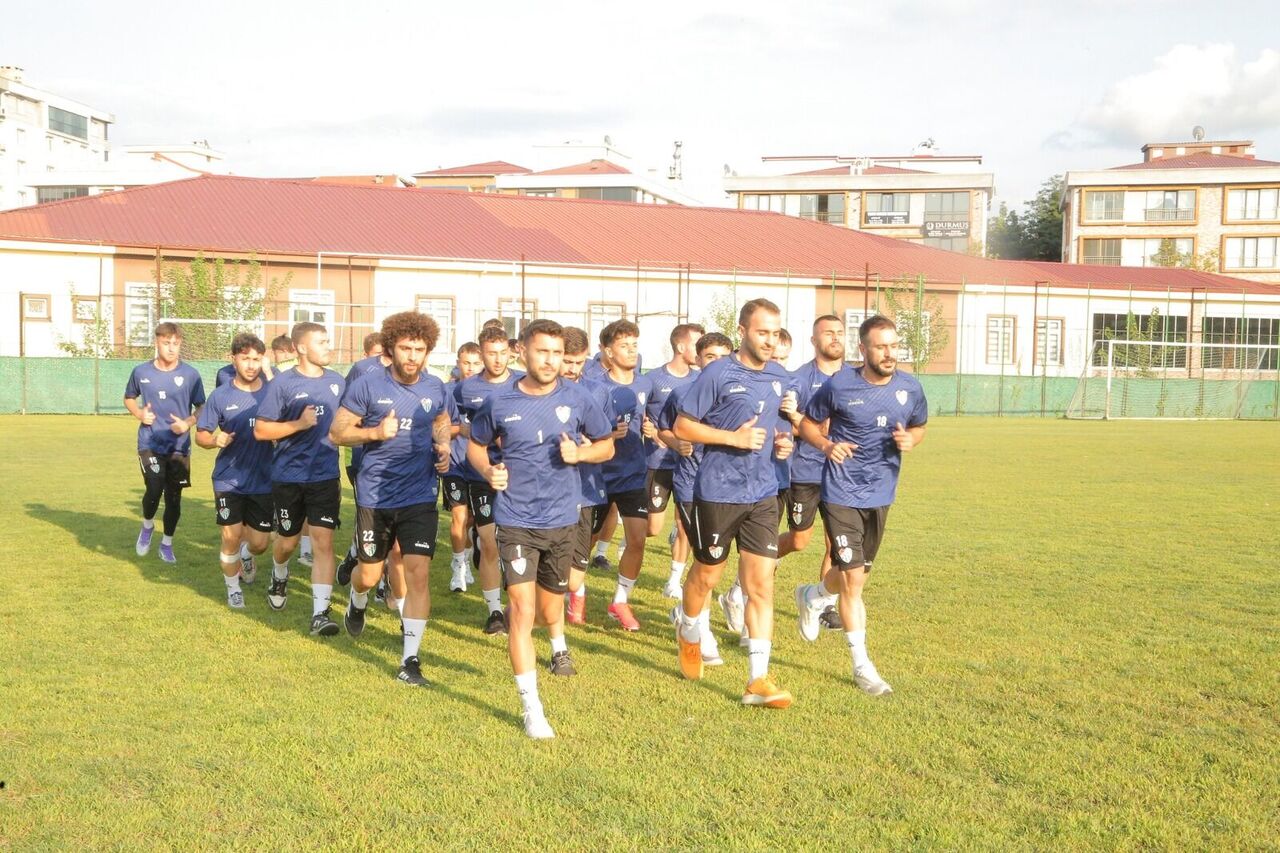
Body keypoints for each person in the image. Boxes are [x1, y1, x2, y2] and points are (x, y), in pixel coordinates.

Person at [468, 319, 615, 738]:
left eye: (557, 353)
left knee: (551, 608)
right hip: (516, 519)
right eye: (542, 352)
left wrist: (581, 455)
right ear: (523, 352)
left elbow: (607, 445)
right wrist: (488, 470)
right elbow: (476, 445)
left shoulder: (579, 398)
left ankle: (554, 642)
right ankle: (532, 708)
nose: (550, 361)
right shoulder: (498, 402)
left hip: (563, 518)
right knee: (522, 610)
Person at [795, 315, 928, 696]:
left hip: (881, 494)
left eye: (894, 346)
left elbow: (919, 426)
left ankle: (813, 596)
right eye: (881, 346)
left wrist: (911, 440)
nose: (889, 353)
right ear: (863, 349)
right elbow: (807, 424)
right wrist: (826, 446)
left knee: (853, 575)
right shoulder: (839, 385)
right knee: (853, 582)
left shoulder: (910, 387)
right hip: (841, 492)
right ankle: (862, 666)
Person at [673, 298, 795, 708]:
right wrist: (733, 439)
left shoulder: (779, 376)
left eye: (775, 333)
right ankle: (689, 628)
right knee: (707, 576)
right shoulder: (717, 373)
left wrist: (785, 443)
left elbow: (778, 427)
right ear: (742, 332)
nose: (770, 340)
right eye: (762, 332)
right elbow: (683, 426)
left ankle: (758, 680)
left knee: (761, 585)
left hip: (762, 493)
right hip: (717, 491)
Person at [330, 311, 455, 686]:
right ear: (390, 348)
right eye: (405, 348)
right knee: (369, 575)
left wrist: (443, 445)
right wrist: (373, 433)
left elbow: (441, 419)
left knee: (418, 573)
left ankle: (410, 660)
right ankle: (357, 600)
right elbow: (337, 433)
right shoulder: (367, 385)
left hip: (419, 493)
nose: (412, 356)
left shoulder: (435, 386)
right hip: (376, 493)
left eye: (419, 349)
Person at [254, 322, 346, 636]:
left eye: (327, 340)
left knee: (323, 542)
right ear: (302, 347)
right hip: (288, 477)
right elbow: (261, 430)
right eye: (321, 342)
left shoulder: (337, 382)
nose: (328, 346)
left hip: (325, 475)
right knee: (288, 542)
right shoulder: (282, 384)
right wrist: (299, 424)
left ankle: (320, 613)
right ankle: (279, 572)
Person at [656, 332, 733, 667]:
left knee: (717, 564)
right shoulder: (682, 393)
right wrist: (677, 443)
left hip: (730, 489)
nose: (716, 363)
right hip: (691, 487)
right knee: (707, 560)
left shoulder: (739, 394)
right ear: (698, 359)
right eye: (710, 356)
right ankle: (702, 629)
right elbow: (663, 428)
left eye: (723, 356)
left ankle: (685, 611)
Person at [779, 315, 851, 632]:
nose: (835, 337)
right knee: (799, 540)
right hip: (806, 472)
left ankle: (823, 603)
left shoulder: (856, 377)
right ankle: (763, 561)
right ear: (813, 340)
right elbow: (788, 424)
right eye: (828, 333)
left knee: (838, 543)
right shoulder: (799, 379)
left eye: (840, 332)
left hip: (843, 474)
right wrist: (811, 427)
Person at [194, 333, 274, 607]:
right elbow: (201, 435)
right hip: (228, 478)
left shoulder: (272, 392)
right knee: (230, 535)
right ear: (233, 359)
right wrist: (214, 440)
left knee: (260, 543)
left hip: (264, 479)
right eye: (245, 358)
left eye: (256, 359)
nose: (251, 365)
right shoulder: (221, 395)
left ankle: (247, 555)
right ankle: (233, 589)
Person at [455, 326, 523, 635]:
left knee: (514, 542)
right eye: (491, 353)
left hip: (519, 475)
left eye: (502, 353)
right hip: (481, 474)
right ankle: (494, 612)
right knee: (489, 541)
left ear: (511, 353)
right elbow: (456, 425)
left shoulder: (523, 383)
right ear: (481, 354)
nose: (497, 359)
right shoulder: (466, 389)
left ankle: (519, 603)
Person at [124, 322, 207, 564]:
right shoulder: (141, 372)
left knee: (173, 498)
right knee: (154, 486)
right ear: (156, 343)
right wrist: (139, 413)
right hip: (149, 441)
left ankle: (167, 544)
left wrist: (188, 423)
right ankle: (148, 525)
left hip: (179, 446)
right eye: (166, 343)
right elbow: (129, 398)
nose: (171, 348)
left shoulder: (191, 375)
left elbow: (202, 406)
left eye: (176, 343)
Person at [596, 319, 654, 631]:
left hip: (633, 474)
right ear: (608, 351)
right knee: (587, 540)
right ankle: (573, 592)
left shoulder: (645, 385)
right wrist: (607, 434)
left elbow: (653, 421)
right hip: (599, 475)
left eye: (634, 345)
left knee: (637, 539)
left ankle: (620, 601)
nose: (631, 351)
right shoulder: (596, 387)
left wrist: (654, 431)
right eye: (624, 345)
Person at [643, 323, 704, 599]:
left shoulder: (700, 382)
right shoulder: (654, 379)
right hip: (657, 462)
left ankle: (673, 581)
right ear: (680, 347)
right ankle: (632, 536)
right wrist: (649, 430)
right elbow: (642, 413)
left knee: (684, 526)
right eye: (696, 345)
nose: (700, 351)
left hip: (687, 466)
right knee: (652, 528)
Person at [557, 326, 613, 626]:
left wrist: (589, 448)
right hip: (545, 490)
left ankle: (574, 593)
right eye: (567, 361)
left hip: (585, 487)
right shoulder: (536, 389)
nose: (573, 369)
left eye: (579, 362)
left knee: (574, 575)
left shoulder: (598, 391)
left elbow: (608, 443)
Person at [335, 333, 393, 591]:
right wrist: (371, 431)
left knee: (394, 521)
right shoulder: (362, 370)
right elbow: (347, 413)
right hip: (362, 458)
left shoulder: (415, 373)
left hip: (400, 465)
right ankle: (361, 560)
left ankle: (378, 577)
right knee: (371, 516)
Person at [444, 342, 483, 592]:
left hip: (480, 466)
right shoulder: (447, 391)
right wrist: (459, 429)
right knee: (459, 515)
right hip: (454, 464)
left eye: (476, 363)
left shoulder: (490, 391)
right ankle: (458, 568)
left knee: (472, 519)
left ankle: (466, 557)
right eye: (466, 363)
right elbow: (438, 427)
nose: (470, 368)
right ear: (458, 362)